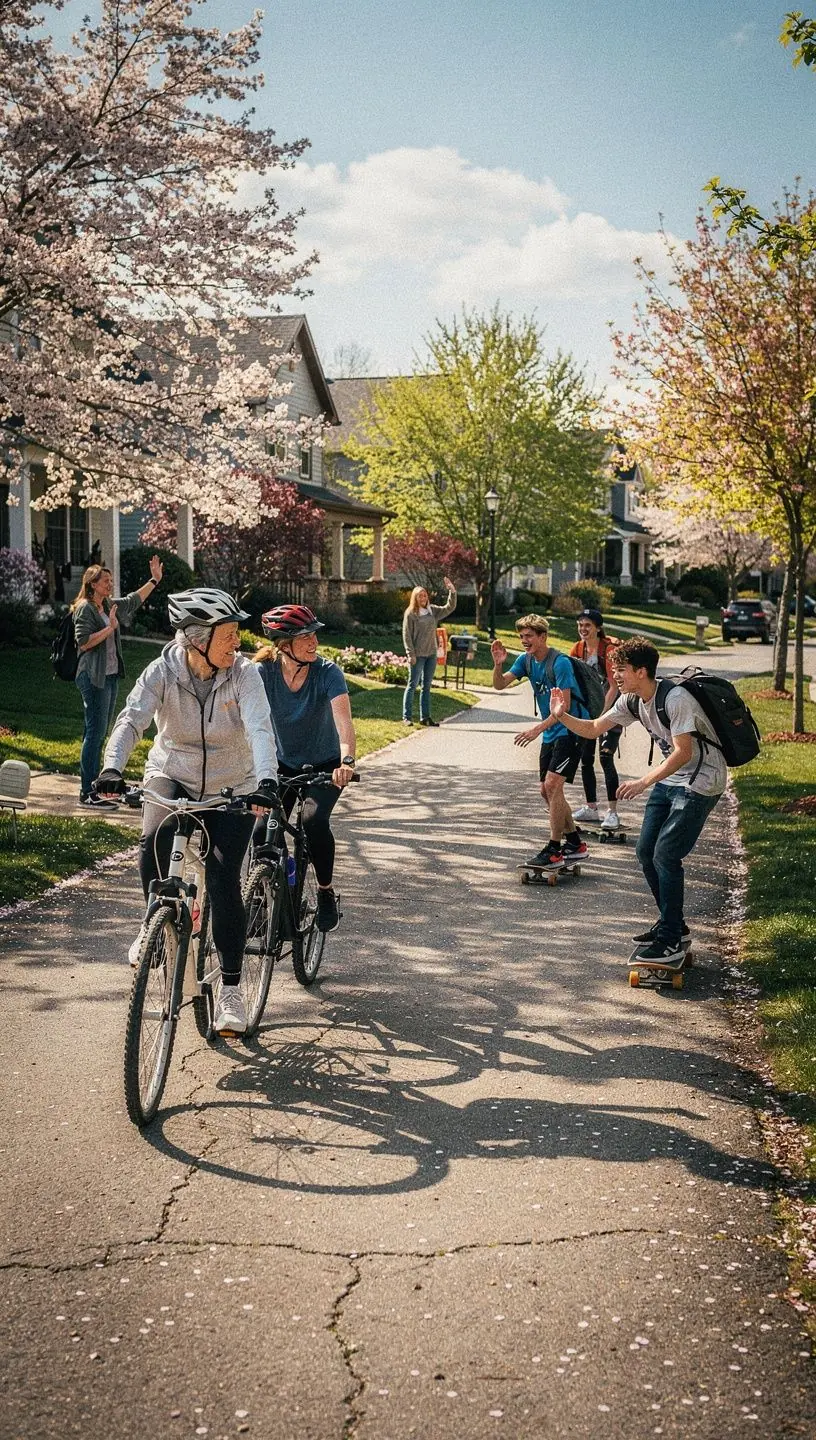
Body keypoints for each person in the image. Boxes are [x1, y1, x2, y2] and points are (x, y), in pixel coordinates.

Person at [95, 587, 280, 1036]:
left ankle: (232, 991)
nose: (237, 641)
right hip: (172, 770)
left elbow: (259, 727)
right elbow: (132, 719)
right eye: (229, 634)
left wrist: (267, 781)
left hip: (233, 784)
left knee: (221, 878)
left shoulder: (244, 675)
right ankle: (153, 919)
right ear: (197, 639)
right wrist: (112, 767)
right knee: (154, 837)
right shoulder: (162, 671)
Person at [549, 634, 727, 964]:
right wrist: (561, 715)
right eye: (614, 669)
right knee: (646, 851)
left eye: (621, 670)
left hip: (702, 781)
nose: (614, 676)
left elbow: (684, 752)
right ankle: (673, 925)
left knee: (666, 853)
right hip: (671, 779)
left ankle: (671, 935)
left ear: (641, 671)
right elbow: (593, 728)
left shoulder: (675, 699)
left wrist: (644, 781)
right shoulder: (632, 701)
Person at [253, 603, 357, 934]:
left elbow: (344, 723)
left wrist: (347, 761)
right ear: (284, 644)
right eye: (305, 637)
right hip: (280, 764)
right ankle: (266, 894)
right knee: (262, 829)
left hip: (326, 765)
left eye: (314, 635)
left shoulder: (328, 673)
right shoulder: (262, 674)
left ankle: (325, 894)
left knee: (313, 820)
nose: (314, 643)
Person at [491, 613, 590, 870]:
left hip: (572, 729)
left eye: (529, 636)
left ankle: (555, 849)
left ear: (543, 637)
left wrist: (536, 729)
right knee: (546, 791)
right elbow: (499, 685)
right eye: (521, 636)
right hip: (551, 731)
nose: (524, 641)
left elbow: (564, 707)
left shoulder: (560, 663)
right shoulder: (526, 660)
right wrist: (499, 664)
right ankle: (575, 844)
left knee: (553, 785)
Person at [72, 554, 163, 807]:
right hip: (92, 677)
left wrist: (154, 580)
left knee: (97, 732)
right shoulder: (85, 609)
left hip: (109, 676)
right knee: (96, 733)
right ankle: (88, 792)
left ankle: (93, 787)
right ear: (92, 584)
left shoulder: (108, 604)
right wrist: (110, 628)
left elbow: (133, 600)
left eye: (111, 581)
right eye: (105, 581)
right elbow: (84, 642)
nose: (110, 585)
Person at [569, 607, 623, 832]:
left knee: (606, 758)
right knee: (586, 759)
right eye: (580, 624)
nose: (583, 629)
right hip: (588, 711)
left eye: (587, 625)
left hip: (611, 710)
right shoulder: (578, 648)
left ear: (598, 628)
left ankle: (612, 812)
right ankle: (591, 807)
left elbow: (613, 686)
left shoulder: (608, 650)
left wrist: (602, 716)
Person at [402, 578, 457, 726]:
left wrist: (452, 591)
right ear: (415, 598)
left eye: (425, 595)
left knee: (426, 686)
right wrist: (410, 654)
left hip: (431, 654)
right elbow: (406, 635)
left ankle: (425, 717)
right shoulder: (411, 614)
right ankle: (407, 717)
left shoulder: (432, 611)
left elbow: (449, 608)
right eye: (420, 595)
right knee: (412, 685)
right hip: (417, 655)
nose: (423, 597)